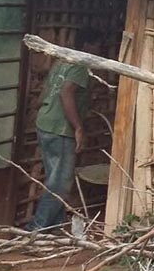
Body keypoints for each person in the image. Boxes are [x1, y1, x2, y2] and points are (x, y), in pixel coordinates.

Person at [26, 27, 102, 232]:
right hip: (60, 129)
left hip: (45, 124)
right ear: (88, 45)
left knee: (55, 177)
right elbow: (66, 93)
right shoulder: (80, 65)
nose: (99, 51)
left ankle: (54, 226)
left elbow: (46, 92)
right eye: (97, 46)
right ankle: (36, 229)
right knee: (59, 183)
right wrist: (78, 127)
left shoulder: (62, 60)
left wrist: (41, 111)